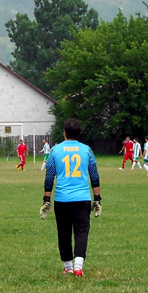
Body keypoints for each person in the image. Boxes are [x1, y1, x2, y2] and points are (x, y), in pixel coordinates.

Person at [41, 118, 101, 277]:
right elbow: (94, 175)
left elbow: (49, 176)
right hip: (82, 198)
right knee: (81, 232)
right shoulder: (86, 150)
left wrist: (46, 198)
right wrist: (97, 198)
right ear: (79, 133)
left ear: (64, 132)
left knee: (64, 232)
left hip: (62, 198)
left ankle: (68, 266)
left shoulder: (55, 150)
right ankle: (78, 267)